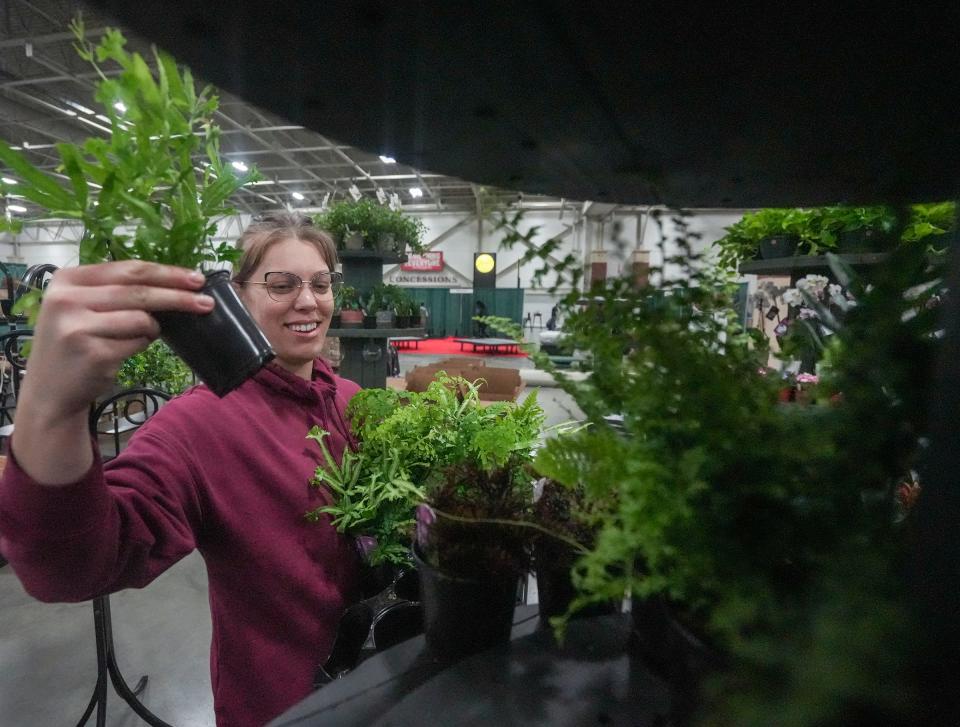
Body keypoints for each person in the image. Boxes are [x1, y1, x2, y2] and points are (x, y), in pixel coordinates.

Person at [0, 212, 362, 727]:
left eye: (321, 283)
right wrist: (51, 409)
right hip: (280, 704)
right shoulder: (201, 421)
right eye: (281, 285)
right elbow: (75, 563)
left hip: (379, 683)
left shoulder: (348, 399)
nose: (308, 301)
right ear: (238, 294)